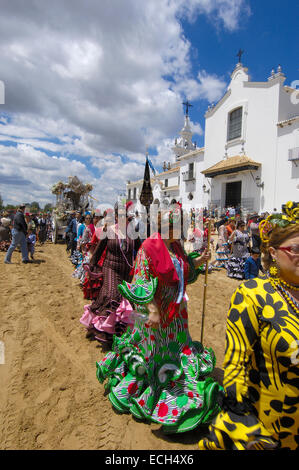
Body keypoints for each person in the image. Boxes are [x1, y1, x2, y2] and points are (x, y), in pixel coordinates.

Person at [95, 208, 222, 434]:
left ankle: (181, 385)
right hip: (158, 315)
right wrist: (153, 310)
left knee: (179, 348)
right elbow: (141, 281)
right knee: (157, 353)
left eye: (179, 227)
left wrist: (200, 261)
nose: (178, 232)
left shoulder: (175, 246)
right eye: (174, 228)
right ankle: (156, 394)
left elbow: (182, 274)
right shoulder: (148, 248)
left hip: (178, 314)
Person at [199, 201, 299, 450]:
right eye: (296, 249)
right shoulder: (253, 294)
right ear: (274, 252)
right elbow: (236, 365)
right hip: (273, 431)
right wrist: (242, 419)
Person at [80, 203, 141, 345]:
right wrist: (92, 266)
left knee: (115, 299)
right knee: (113, 295)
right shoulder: (109, 230)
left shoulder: (133, 233)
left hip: (126, 272)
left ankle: (100, 327)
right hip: (110, 268)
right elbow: (99, 250)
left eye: (124, 215)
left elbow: (140, 249)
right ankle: (103, 332)